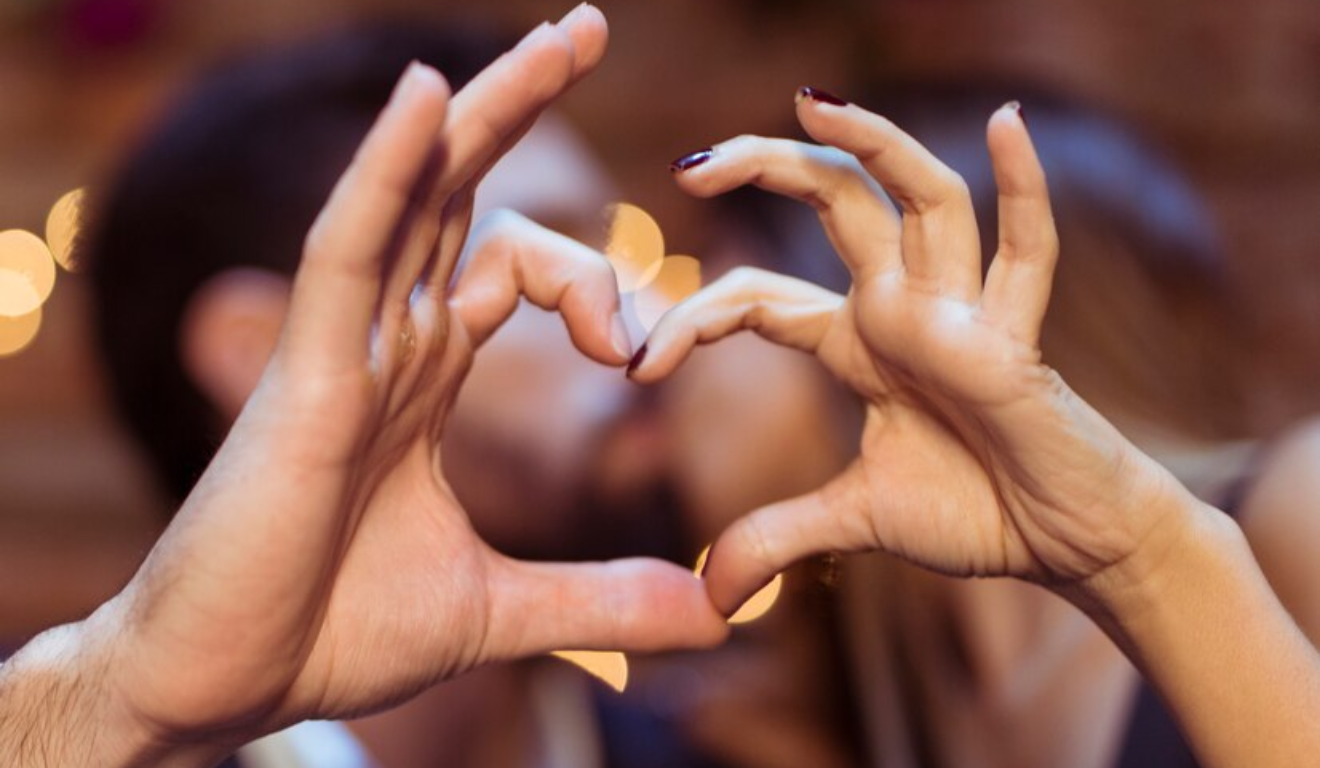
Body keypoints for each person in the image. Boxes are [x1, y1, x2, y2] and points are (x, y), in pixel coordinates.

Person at [2, 9, 1319, 768]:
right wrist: (121, 690)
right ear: (261, 347)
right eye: (522, 253)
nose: (623, 306)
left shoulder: (757, 747)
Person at [646, 86, 1320, 768]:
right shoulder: (900, 697)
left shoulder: (1297, 502)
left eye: (711, 278)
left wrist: (1144, 566)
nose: (668, 329)